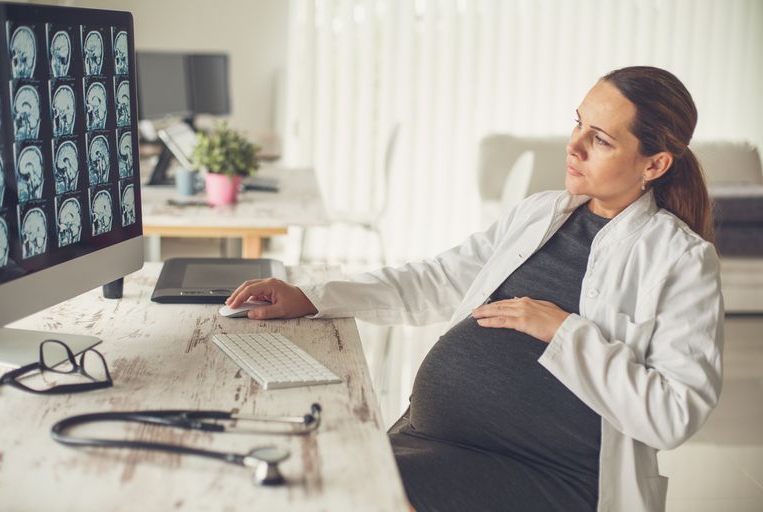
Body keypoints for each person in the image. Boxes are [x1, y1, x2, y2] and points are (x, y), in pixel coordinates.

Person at [225, 66, 723, 512]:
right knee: (298, 473)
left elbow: (673, 414)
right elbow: (437, 279)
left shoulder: (681, 259)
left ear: (654, 164)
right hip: (432, 439)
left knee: (339, 489)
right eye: (578, 124)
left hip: (544, 475)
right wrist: (314, 296)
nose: (573, 146)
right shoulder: (540, 213)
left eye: (601, 140)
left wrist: (563, 331)